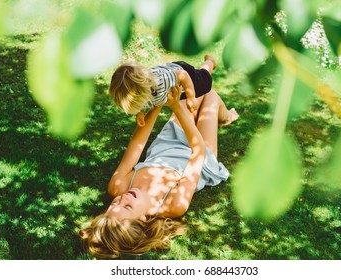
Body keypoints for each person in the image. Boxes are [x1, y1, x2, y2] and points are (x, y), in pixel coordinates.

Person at [79, 85, 239, 258]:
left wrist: (158, 104)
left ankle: (214, 97)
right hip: (199, 157)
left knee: (198, 90)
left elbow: (137, 144)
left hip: (167, 145)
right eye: (127, 206)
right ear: (142, 220)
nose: (122, 198)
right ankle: (226, 117)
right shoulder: (174, 205)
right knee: (210, 95)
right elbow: (197, 151)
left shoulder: (117, 187)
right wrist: (176, 107)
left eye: (114, 204)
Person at [108, 54, 217, 127]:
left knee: (205, 81)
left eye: (138, 106)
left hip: (183, 75)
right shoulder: (141, 89)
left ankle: (210, 62)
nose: (141, 105)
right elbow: (140, 99)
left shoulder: (160, 82)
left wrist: (191, 97)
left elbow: (183, 75)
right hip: (172, 76)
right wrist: (140, 113)